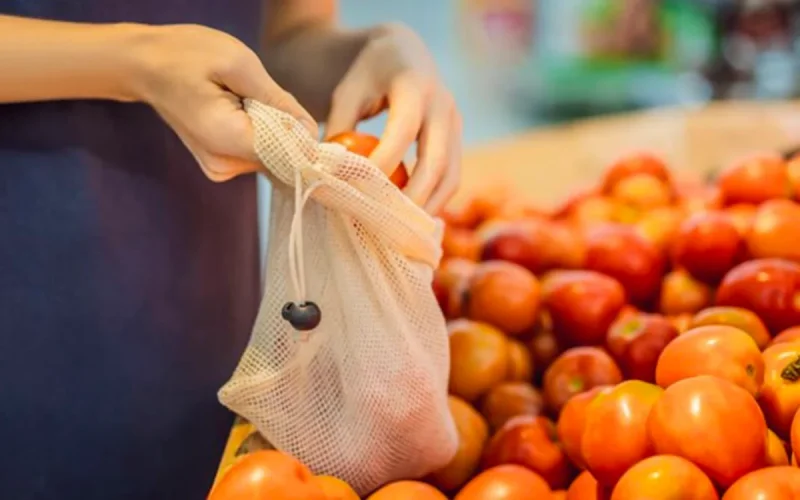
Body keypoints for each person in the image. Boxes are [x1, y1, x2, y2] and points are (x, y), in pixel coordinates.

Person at [0, 1, 461, 498]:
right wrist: (135, 61)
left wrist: (374, 53)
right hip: (31, 290)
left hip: (207, 297)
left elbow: (283, 40)